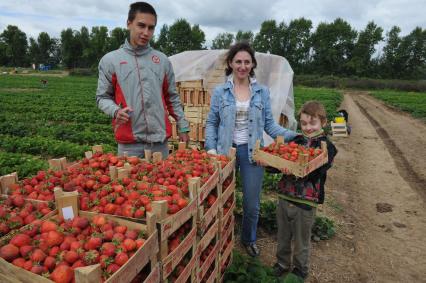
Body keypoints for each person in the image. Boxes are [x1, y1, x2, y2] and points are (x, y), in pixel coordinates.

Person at [205, 42, 298, 257]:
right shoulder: (220, 92)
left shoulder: (261, 92)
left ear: (253, 64)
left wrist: (295, 137)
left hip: (253, 152)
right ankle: (219, 238)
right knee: (220, 199)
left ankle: (248, 239)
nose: (242, 66)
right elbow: (211, 122)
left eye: (247, 61)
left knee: (252, 203)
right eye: (238, 61)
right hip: (225, 151)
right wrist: (211, 148)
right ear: (230, 63)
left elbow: (269, 124)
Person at [96, 2, 189, 158]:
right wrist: (115, 111)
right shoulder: (111, 60)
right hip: (129, 146)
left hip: (160, 144)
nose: (146, 32)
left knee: (163, 182)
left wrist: (183, 126)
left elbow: (171, 97)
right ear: (129, 24)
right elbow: (102, 97)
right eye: (141, 25)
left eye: (151, 28)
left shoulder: (162, 60)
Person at [272, 101, 338, 281]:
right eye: (304, 123)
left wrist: (297, 167)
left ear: (323, 122)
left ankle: (300, 269)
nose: (308, 127)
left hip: (306, 201)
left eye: (313, 123)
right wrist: (274, 164)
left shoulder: (326, 146)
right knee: (283, 235)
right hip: (285, 195)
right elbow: (278, 162)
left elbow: (318, 171)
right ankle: (282, 263)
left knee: (301, 239)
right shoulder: (296, 141)